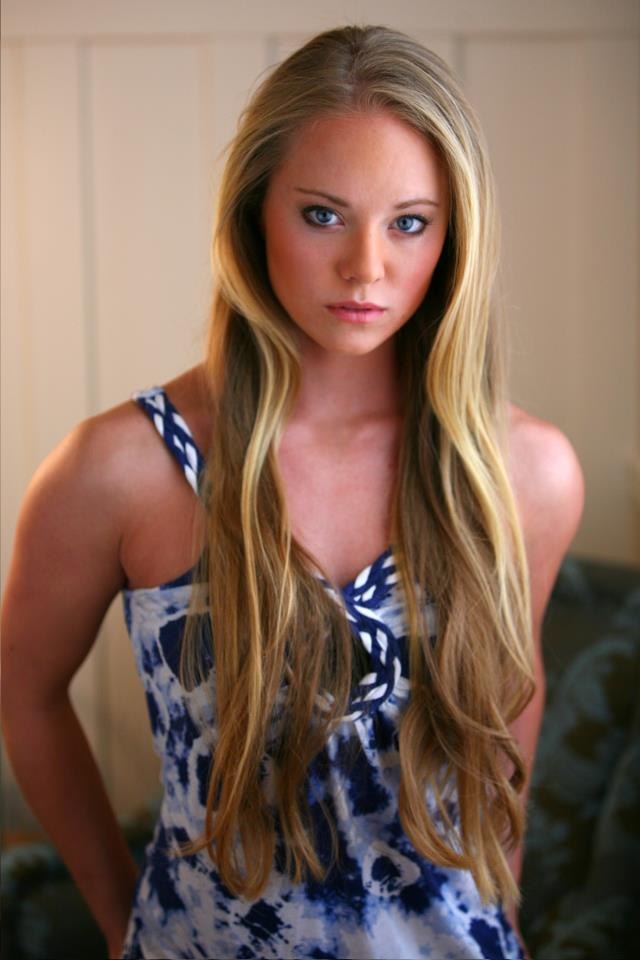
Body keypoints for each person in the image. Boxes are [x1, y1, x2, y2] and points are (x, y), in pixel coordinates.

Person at [1, 24, 584, 960]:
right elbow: (24, 692)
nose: (367, 267)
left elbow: (515, 695)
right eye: (322, 215)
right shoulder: (119, 470)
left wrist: (500, 896)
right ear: (254, 214)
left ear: (455, 236)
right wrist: (119, 920)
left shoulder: (521, 471)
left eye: (410, 222)